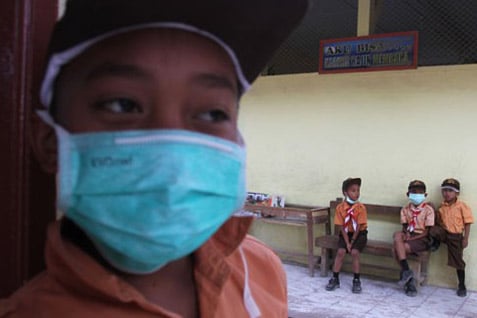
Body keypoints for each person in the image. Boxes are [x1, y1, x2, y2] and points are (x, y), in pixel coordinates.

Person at [0, 1, 309, 317]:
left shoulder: (261, 272)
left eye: (212, 112)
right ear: (49, 143)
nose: (172, 157)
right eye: (122, 105)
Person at [429, 178, 473, 297]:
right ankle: (436, 242)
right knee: (433, 229)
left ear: (457, 193)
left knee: (458, 261)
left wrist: (465, 238)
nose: (446, 193)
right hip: (444, 233)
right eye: (444, 190)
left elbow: (467, 222)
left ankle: (462, 285)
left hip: (455, 236)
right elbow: (437, 221)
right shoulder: (442, 207)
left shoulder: (462, 206)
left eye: (450, 191)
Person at [392, 180, 435, 297]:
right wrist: (406, 234)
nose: (417, 195)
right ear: (408, 194)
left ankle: (409, 278)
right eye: (414, 192)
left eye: (420, 193)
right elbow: (404, 227)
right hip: (410, 234)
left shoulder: (428, 210)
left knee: (397, 249)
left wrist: (410, 239)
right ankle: (408, 274)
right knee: (397, 236)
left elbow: (427, 232)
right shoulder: (405, 209)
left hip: (422, 238)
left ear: (425, 195)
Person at [326, 177, 368, 294]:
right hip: (345, 234)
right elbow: (341, 227)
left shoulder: (361, 208)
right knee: (341, 252)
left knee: (354, 252)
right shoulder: (340, 208)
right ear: (345, 193)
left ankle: (356, 279)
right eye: (353, 191)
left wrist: (352, 241)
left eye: (358, 190)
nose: (357, 193)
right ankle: (335, 278)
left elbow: (359, 227)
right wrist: (347, 242)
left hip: (359, 234)